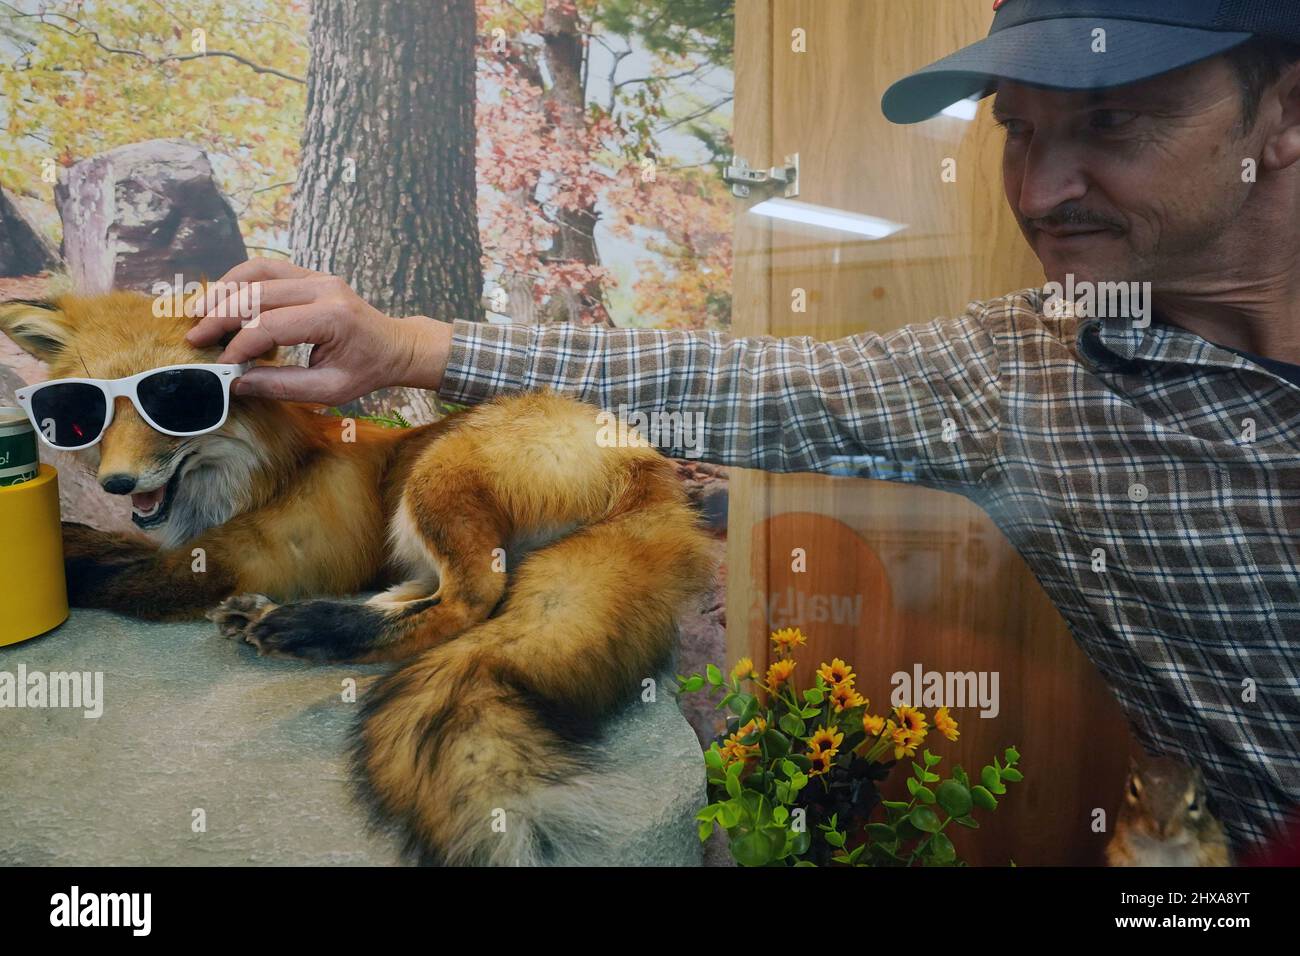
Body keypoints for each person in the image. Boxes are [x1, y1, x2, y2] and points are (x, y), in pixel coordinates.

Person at [186, 0, 1300, 857]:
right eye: (1017, 130)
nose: (1044, 186)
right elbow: (743, 377)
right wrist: (413, 350)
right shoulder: (1025, 369)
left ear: (1281, 112)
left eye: (1111, 122)